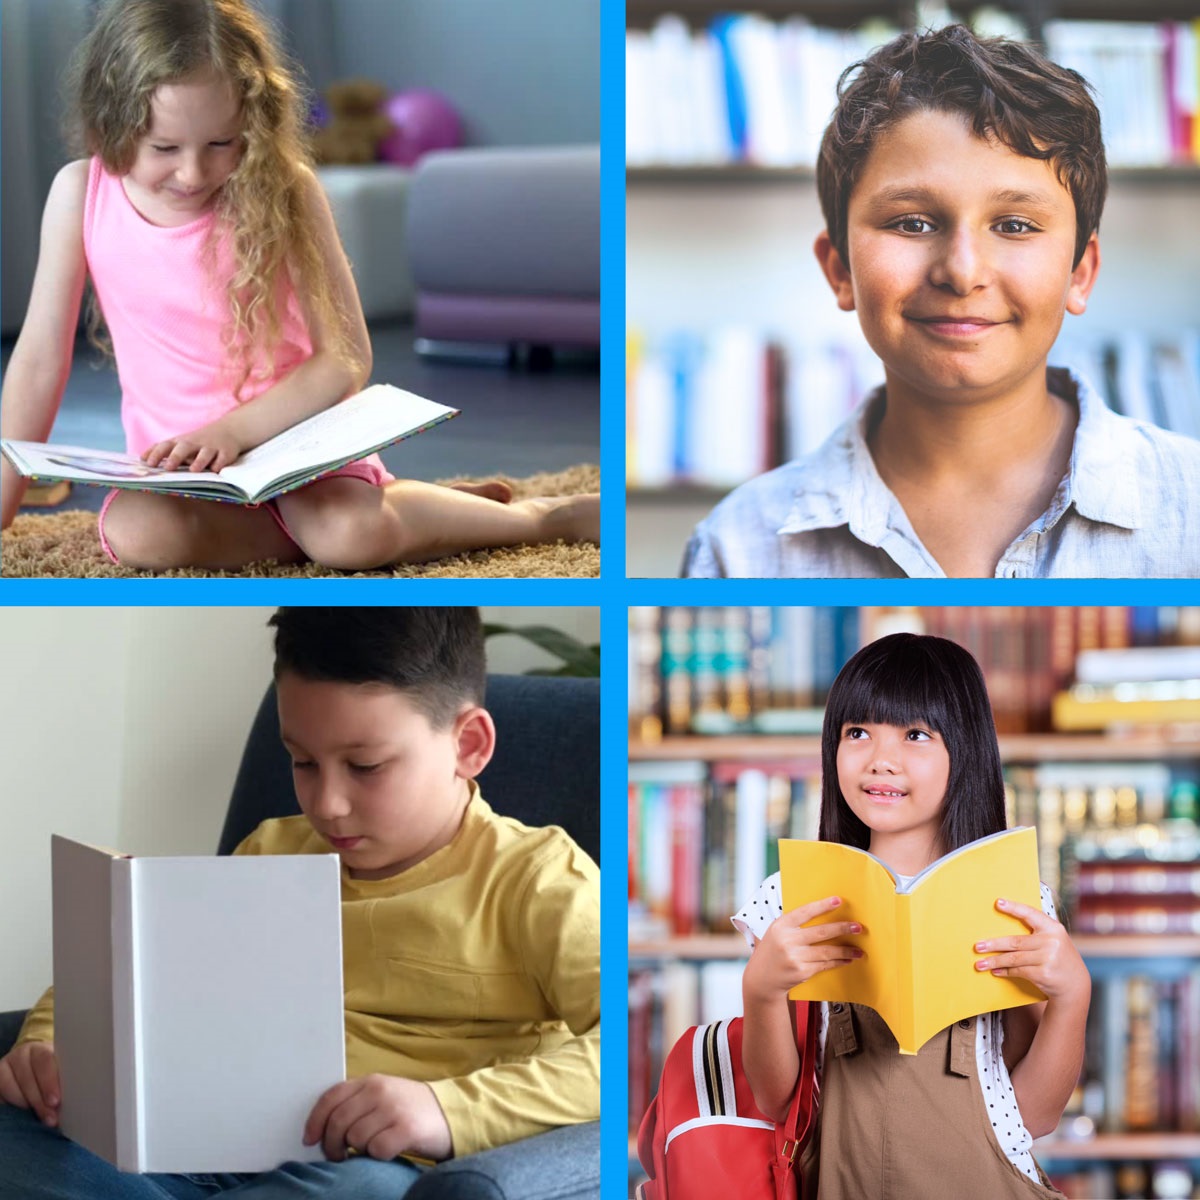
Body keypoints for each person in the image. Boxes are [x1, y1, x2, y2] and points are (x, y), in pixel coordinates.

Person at [0, 607, 600, 1199]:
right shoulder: (271, 850)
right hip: (212, 1145)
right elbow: (133, 973)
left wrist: (446, 1109)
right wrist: (48, 1044)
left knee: (362, 1191)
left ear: (467, 745)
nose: (327, 804)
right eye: (303, 762)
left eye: (365, 766)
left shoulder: (536, 880)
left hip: (377, 1164)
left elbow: (630, 1047)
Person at [0, 0, 599, 571]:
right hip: (184, 475)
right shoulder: (80, 193)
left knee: (348, 537)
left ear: (253, 122)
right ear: (110, 122)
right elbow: (40, 359)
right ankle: (412, 515)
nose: (193, 172)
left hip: (299, 454)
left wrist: (233, 433)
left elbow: (346, 358)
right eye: (164, 148)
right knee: (139, 535)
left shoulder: (287, 188)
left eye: (221, 143)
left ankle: (540, 518)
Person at [684, 24, 1200, 579]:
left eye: (1015, 225)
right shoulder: (736, 549)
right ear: (840, 270)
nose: (962, 271)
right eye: (912, 223)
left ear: (1080, 272)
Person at [735, 633, 1088, 1198]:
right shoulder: (793, 898)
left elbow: (1036, 1116)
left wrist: (1073, 995)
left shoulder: (1014, 900)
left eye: (916, 735)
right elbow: (777, 1102)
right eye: (857, 733)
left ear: (965, 750)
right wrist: (762, 990)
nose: (881, 759)